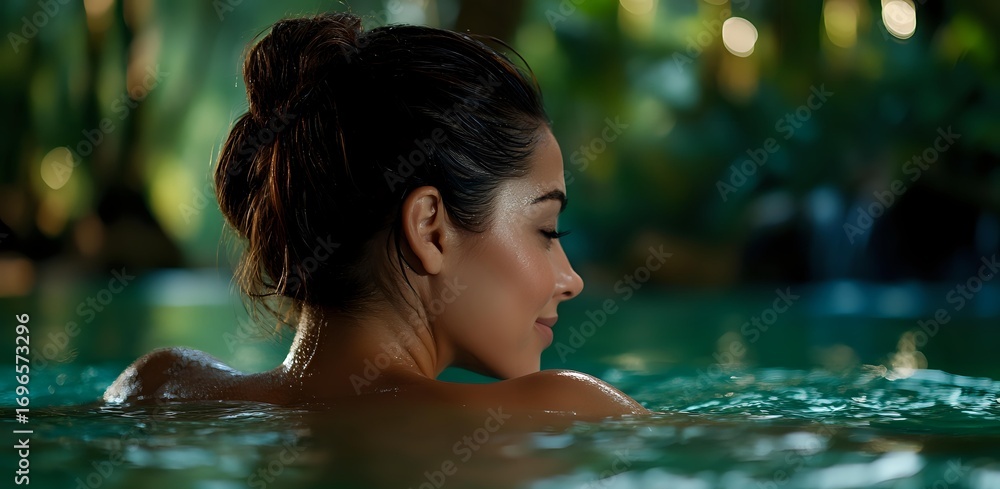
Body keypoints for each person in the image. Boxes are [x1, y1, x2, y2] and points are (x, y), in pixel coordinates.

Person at [103, 13, 648, 419]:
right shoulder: (561, 410)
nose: (571, 279)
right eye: (546, 231)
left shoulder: (159, 388)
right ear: (430, 228)